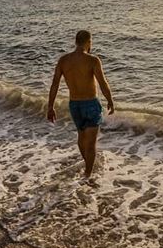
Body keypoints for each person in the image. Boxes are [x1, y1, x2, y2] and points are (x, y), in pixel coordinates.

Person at [47, 30, 115, 179]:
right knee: (90, 144)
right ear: (88, 42)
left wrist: (50, 107)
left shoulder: (63, 60)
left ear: (76, 42)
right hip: (91, 104)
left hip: (74, 105)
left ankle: (87, 167)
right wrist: (110, 100)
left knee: (81, 137)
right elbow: (103, 83)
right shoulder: (93, 60)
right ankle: (88, 174)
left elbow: (54, 85)